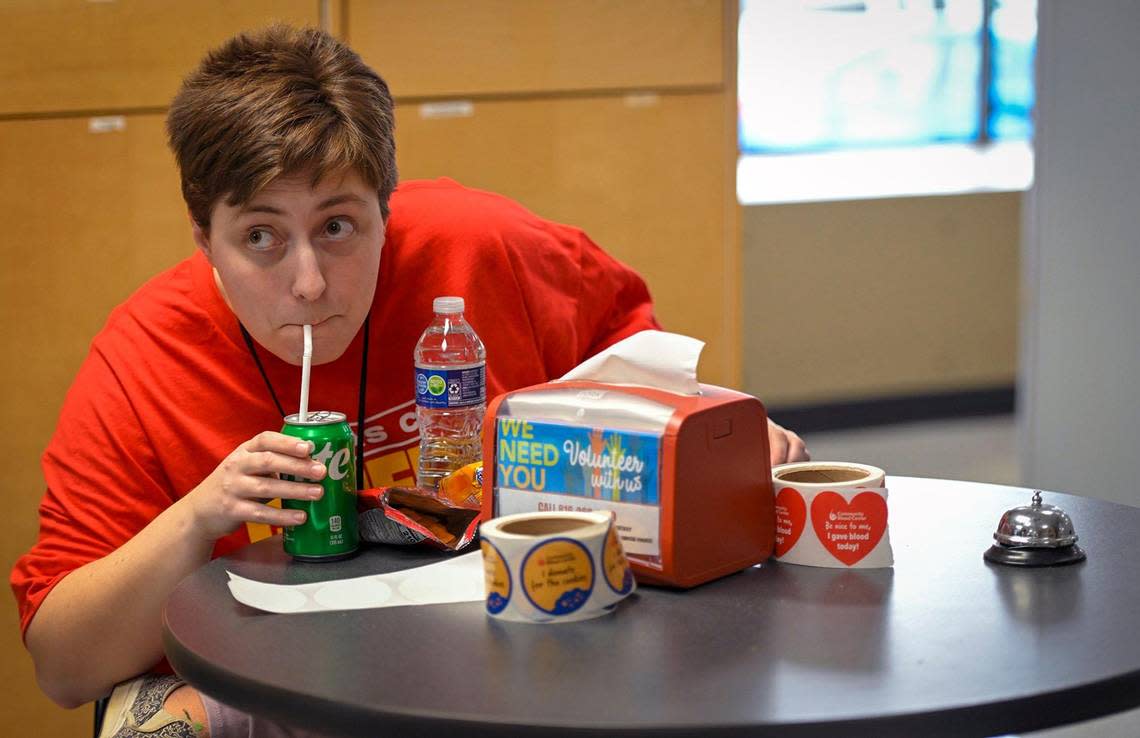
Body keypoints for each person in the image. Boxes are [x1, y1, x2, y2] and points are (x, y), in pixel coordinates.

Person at [10, 24, 809, 738]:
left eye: (338, 226)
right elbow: (64, 666)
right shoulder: (142, 357)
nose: (310, 282)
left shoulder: (482, 246)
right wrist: (195, 520)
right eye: (260, 236)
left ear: (385, 211)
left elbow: (642, 368)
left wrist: (715, 439)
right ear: (203, 238)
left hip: (526, 642)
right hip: (280, 677)